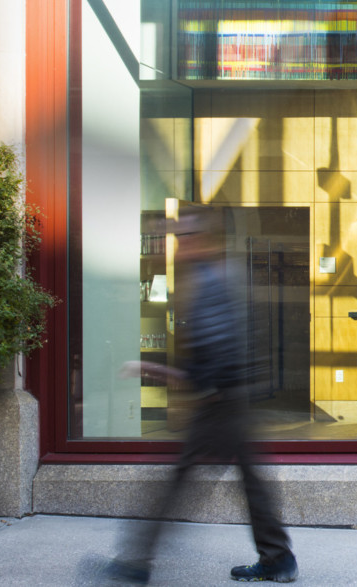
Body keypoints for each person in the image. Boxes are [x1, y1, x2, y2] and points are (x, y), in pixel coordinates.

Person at [103, 208, 297, 584]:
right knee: (249, 481)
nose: (180, 246)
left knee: (177, 480)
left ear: (205, 241)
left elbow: (219, 340)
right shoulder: (215, 276)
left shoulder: (209, 280)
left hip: (218, 400)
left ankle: (136, 562)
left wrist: (201, 387)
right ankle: (277, 557)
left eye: (186, 238)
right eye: (178, 239)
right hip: (228, 397)